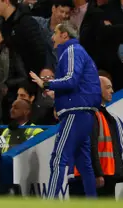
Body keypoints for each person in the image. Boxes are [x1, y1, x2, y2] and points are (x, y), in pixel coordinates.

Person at [30, 21, 101, 199]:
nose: (52, 37)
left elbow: (71, 79)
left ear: (64, 35)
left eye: (55, 33)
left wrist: (45, 82)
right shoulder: (79, 52)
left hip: (75, 112)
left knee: (58, 158)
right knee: (84, 163)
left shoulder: (71, 50)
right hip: (84, 112)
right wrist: (55, 94)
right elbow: (76, 84)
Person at [68, 76, 123, 198]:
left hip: (106, 175)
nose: (112, 91)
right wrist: (97, 174)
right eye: (108, 87)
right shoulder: (89, 113)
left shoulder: (103, 114)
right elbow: (89, 146)